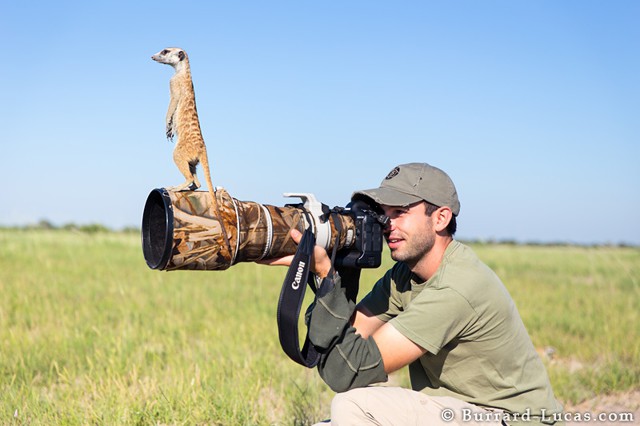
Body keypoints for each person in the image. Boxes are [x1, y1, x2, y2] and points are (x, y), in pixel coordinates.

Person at [263, 162, 563, 425]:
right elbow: (339, 350)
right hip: (459, 413)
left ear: (441, 218)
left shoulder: (457, 286)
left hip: (507, 418)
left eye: (400, 213)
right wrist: (332, 266)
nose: (387, 225)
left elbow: (349, 373)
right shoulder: (404, 276)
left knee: (352, 407)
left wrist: (327, 276)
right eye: (383, 214)